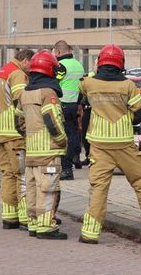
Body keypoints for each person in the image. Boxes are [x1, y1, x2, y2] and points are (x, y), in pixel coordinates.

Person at [78, 44, 141, 244]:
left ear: (101, 62)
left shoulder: (88, 83)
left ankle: (90, 233)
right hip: (124, 143)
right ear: (121, 63)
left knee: (98, 188)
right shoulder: (129, 86)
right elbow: (138, 115)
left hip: (99, 144)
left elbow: (80, 98)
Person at [22, 50, 69, 239]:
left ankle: (33, 223)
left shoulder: (26, 92)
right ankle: (46, 226)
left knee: (32, 188)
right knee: (47, 189)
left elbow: (18, 121)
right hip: (48, 150)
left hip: (31, 150)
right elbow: (52, 120)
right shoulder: (48, 93)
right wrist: (62, 140)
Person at [0, 48, 34, 230]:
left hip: (2, 132)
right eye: (31, 65)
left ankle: (9, 216)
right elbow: (21, 100)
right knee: (22, 175)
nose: (31, 69)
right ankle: (25, 217)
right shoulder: (17, 74)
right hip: (15, 133)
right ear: (25, 60)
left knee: (8, 174)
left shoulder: (2, 71)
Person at [53, 40, 84, 180]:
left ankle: (66, 168)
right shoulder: (78, 65)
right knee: (73, 134)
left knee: (63, 136)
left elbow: (54, 82)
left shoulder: (60, 66)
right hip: (75, 104)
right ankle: (75, 157)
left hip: (62, 104)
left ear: (58, 51)